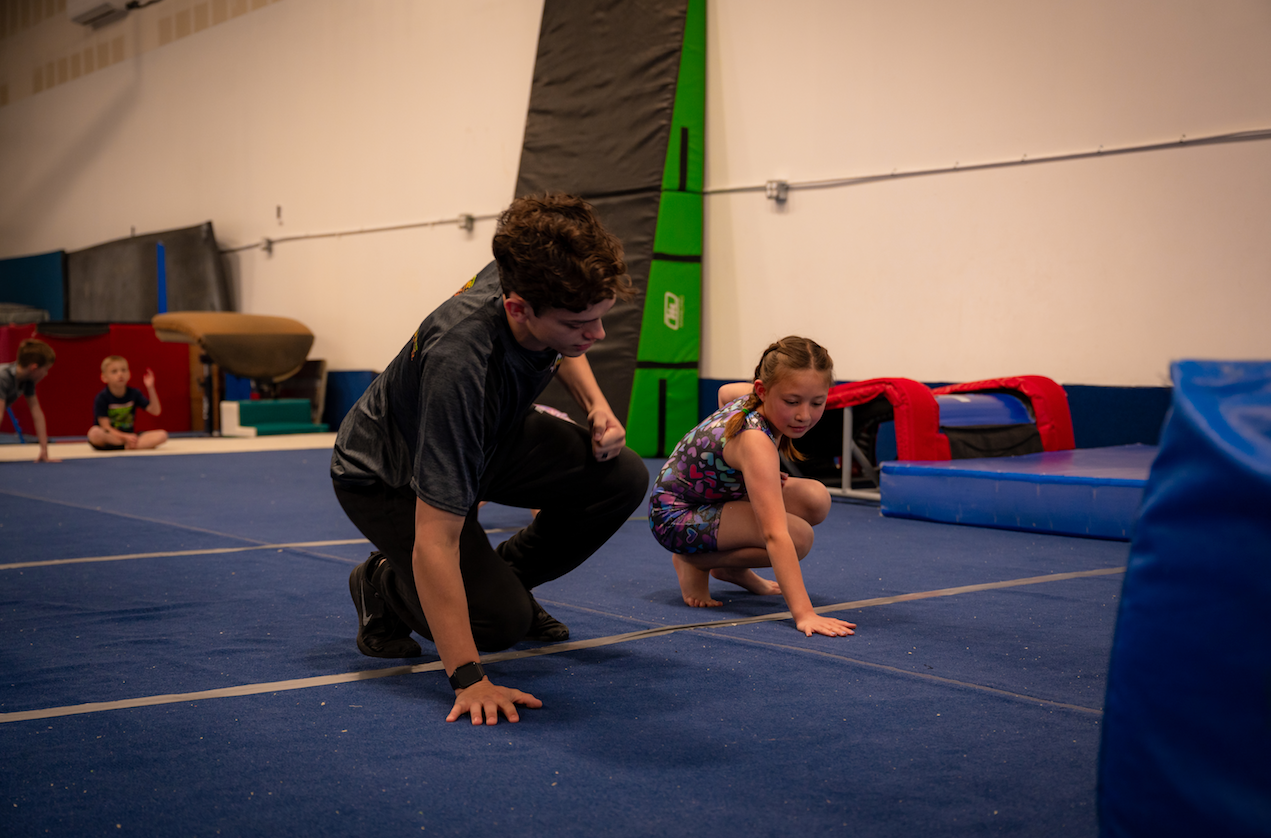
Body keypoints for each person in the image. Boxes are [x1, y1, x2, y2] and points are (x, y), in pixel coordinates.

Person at [331, 193, 649, 726]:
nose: (596, 336)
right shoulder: (462, 364)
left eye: (600, 318)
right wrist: (469, 678)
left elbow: (559, 345)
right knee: (498, 626)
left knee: (620, 477)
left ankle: (506, 584)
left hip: (491, 431)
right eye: (579, 324)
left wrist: (597, 407)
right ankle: (384, 583)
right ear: (518, 308)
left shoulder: (529, 269)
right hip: (387, 472)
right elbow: (438, 540)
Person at [648, 336, 857, 638]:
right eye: (792, 401)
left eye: (817, 402)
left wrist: (745, 473)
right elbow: (774, 534)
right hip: (675, 517)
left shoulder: (749, 395)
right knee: (798, 538)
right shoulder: (756, 441)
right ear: (763, 390)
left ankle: (729, 569)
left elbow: (724, 393)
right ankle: (693, 561)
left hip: (709, 498)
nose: (804, 415)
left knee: (815, 499)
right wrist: (804, 614)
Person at [87, 356, 168, 451]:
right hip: (112, 436)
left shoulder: (134, 393)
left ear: (129, 374)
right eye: (114, 371)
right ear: (104, 377)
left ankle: (123, 446)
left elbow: (156, 411)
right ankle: (126, 445)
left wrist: (151, 388)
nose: (120, 374)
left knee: (162, 435)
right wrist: (125, 437)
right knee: (94, 433)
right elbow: (105, 426)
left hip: (130, 436)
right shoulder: (102, 397)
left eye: (123, 370)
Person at [0, 338, 59, 463]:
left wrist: (44, 450)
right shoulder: (3, 378)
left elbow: (36, 412)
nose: (46, 374)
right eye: (45, 369)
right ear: (34, 368)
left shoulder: (27, 381)